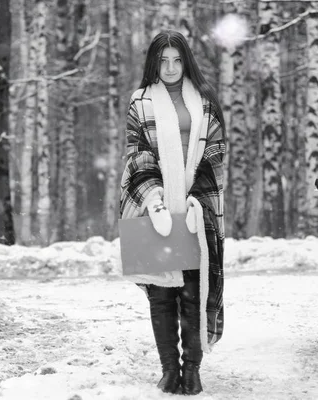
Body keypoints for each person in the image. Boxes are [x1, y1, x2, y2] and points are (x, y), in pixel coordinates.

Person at [119, 30, 226, 395]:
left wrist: (197, 198)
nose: (170, 67)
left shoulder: (206, 101)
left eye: (177, 60)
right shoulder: (141, 101)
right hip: (157, 205)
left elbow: (215, 151)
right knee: (161, 292)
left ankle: (192, 370)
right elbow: (137, 152)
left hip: (198, 205)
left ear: (186, 61)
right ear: (154, 62)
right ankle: (169, 370)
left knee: (194, 291)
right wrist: (154, 197)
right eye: (163, 60)